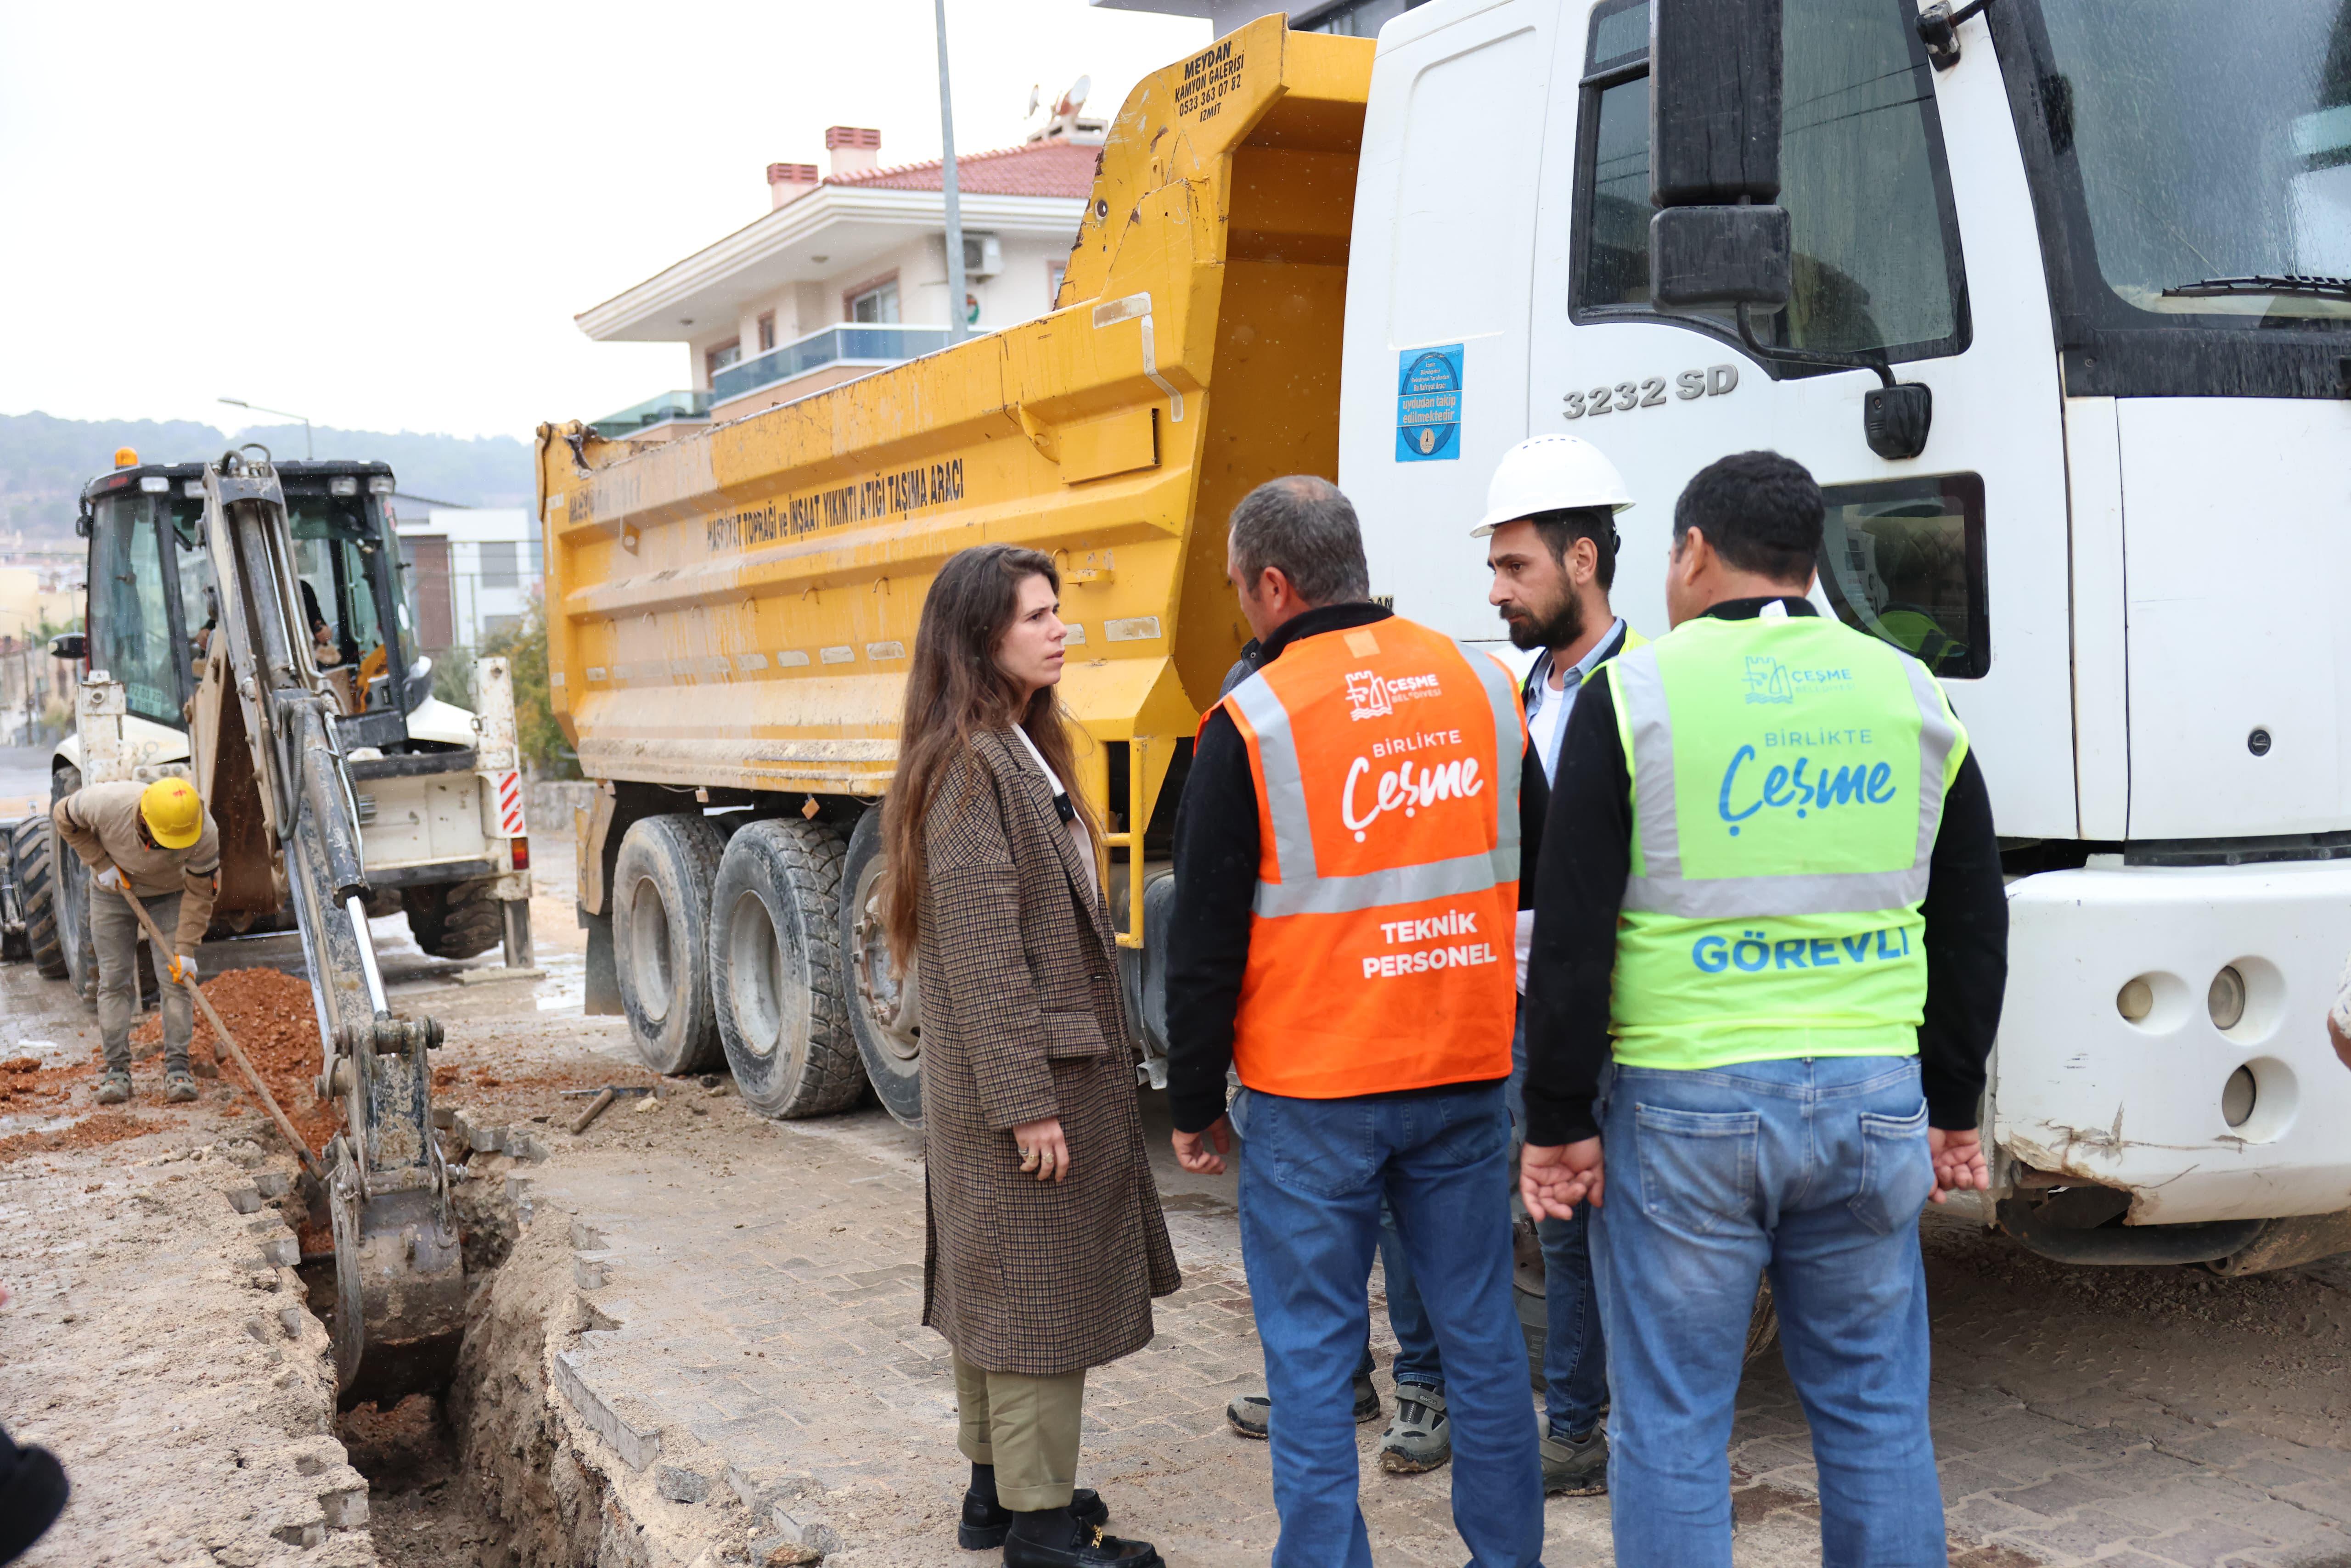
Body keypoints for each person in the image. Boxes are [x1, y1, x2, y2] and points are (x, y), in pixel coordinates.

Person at [1519, 450, 2009, 1568]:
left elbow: (1572, 930)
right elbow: (1974, 917)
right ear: (1809, 556)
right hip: (1871, 1099)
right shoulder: (1907, 689)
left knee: (1675, 1422)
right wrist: (1951, 1100)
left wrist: (1554, 1118)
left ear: (1691, 551)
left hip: (1687, 1108)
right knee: (1876, 1411)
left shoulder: (1634, 695)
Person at [1167, 476, 1543, 1568]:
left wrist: (1193, 1098)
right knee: (1476, 1332)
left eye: (1240, 588)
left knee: (1312, 1351)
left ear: (1274, 584)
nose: (1243, 606)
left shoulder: (1251, 719)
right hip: (1463, 1067)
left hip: (1313, 1088)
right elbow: (1533, 874)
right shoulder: (1481, 682)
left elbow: (1203, 943)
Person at [882, 542, 1178, 1568]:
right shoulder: (973, 766)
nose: (1061, 629)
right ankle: (1044, 1532)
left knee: (995, 1292)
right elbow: (982, 954)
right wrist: (1027, 1104)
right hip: (1020, 1090)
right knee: (1036, 1304)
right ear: (980, 639)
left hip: (1011, 1084)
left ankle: (993, 1494)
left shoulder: (1011, 745)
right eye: (1037, 616)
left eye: (1058, 611)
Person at [1475, 434, 1643, 1496]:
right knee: (1561, 1219)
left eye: (1513, 566)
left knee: (1642, 1222)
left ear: (1581, 560)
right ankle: (1574, 1420)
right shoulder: (1519, 689)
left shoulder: (1648, 689)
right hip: (1530, 999)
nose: (1495, 590)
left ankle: (1647, 1418)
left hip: (1627, 1002)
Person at [51, 776, 220, 1105]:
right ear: (144, 821)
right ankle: (117, 1071)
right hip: (113, 892)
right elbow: (63, 815)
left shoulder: (202, 828)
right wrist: (100, 862)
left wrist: (186, 948)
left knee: (176, 981)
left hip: (170, 895)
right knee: (114, 980)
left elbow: (202, 890)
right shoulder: (106, 803)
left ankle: (178, 1069)